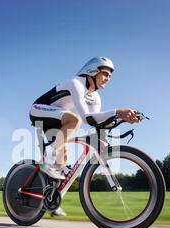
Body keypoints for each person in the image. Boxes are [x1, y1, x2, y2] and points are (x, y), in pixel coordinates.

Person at [29, 56, 140, 216]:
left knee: (63, 158)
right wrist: (117, 111)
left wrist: (121, 118)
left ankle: (53, 200)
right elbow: (87, 117)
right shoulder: (76, 83)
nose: (108, 78)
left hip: (57, 121)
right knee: (75, 120)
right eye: (105, 73)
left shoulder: (95, 97)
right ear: (92, 71)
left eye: (110, 76)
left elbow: (96, 121)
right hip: (39, 110)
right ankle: (48, 161)